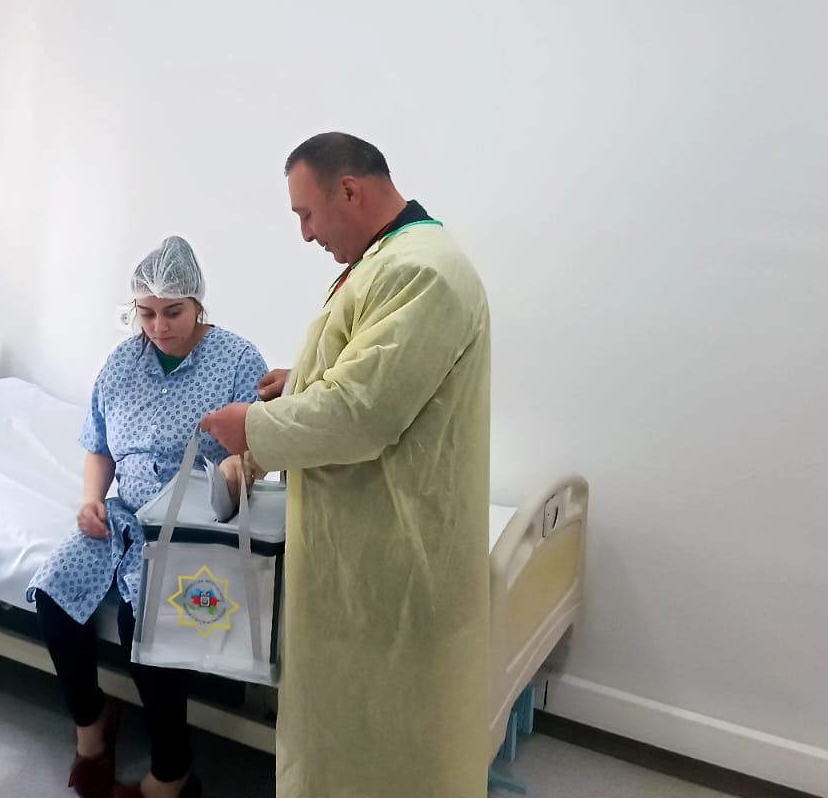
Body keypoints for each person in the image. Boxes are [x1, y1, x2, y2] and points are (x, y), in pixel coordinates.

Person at [201, 133, 492, 798]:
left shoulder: (420, 272)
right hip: (366, 544)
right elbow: (370, 371)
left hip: (389, 559)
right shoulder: (388, 261)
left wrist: (252, 429)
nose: (306, 233)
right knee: (350, 738)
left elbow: (361, 412)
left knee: (378, 750)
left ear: (350, 191)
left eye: (306, 213)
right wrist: (300, 379)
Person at [28, 236, 268, 798]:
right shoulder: (122, 363)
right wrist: (92, 500)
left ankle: (172, 771)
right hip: (123, 514)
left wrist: (236, 471)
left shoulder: (237, 360)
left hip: (193, 519)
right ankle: (92, 728)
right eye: (147, 313)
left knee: (146, 623)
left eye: (173, 312)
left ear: (198, 303)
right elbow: (98, 445)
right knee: (54, 595)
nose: (158, 327)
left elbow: (258, 447)